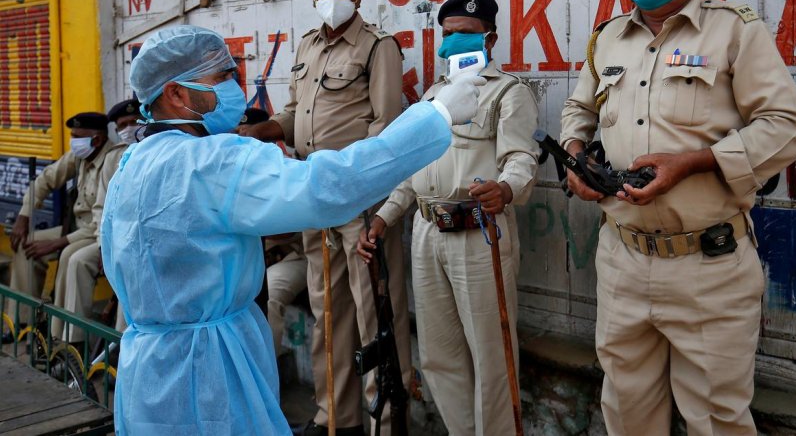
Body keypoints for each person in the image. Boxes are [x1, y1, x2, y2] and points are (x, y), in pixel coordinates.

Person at [101, 25, 484, 435]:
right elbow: (327, 187)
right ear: (177, 94)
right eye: (223, 78)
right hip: (209, 375)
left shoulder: (132, 163)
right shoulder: (211, 162)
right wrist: (435, 117)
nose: (235, 89)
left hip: (147, 376)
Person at [559, 0, 796, 436]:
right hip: (622, 260)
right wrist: (575, 152)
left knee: (717, 420)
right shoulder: (607, 38)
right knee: (626, 415)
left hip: (708, 266)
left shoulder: (734, 32)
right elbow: (578, 109)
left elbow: (788, 127)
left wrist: (694, 162)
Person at [239, 0, 409, 436]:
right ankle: (335, 417)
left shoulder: (378, 48)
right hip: (314, 196)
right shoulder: (308, 46)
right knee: (326, 312)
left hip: (360, 201)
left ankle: (382, 421)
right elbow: (294, 114)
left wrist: (363, 189)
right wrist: (263, 130)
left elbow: (385, 128)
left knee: (375, 314)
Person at [358, 0, 539, 436]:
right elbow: (412, 168)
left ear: (490, 38)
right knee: (439, 356)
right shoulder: (434, 96)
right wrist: (385, 217)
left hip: (479, 231)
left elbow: (522, 157)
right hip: (426, 232)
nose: (454, 43)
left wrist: (507, 188)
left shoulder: (508, 91)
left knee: (492, 355)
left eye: (466, 35)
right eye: (448, 34)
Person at [5, 112, 112, 332]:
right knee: (24, 246)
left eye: (77, 137)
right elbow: (44, 180)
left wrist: (59, 242)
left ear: (98, 139)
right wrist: (24, 216)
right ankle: (24, 324)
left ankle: (63, 332)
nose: (73, 141)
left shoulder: (111, 160)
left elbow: (101, 221)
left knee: (69, 255)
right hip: (77, 229)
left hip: (96, 234)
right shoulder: (80, 156)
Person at [59, 98, 140, 344]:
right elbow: (102, 209)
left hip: (145, 240)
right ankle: (72, 341)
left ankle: (119, 348)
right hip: (115, 239)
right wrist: (106, 246)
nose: (128, 129)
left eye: (133, 122)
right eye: (122, 125)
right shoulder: (115, 158)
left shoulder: (159, 149)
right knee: (74, 258)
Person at [240, 106, 308, 354]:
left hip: (294, 256)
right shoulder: (236, 169)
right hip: (255, 259)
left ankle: (269, 373)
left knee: (269, 295)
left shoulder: (284, 166)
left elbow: (285, 232)